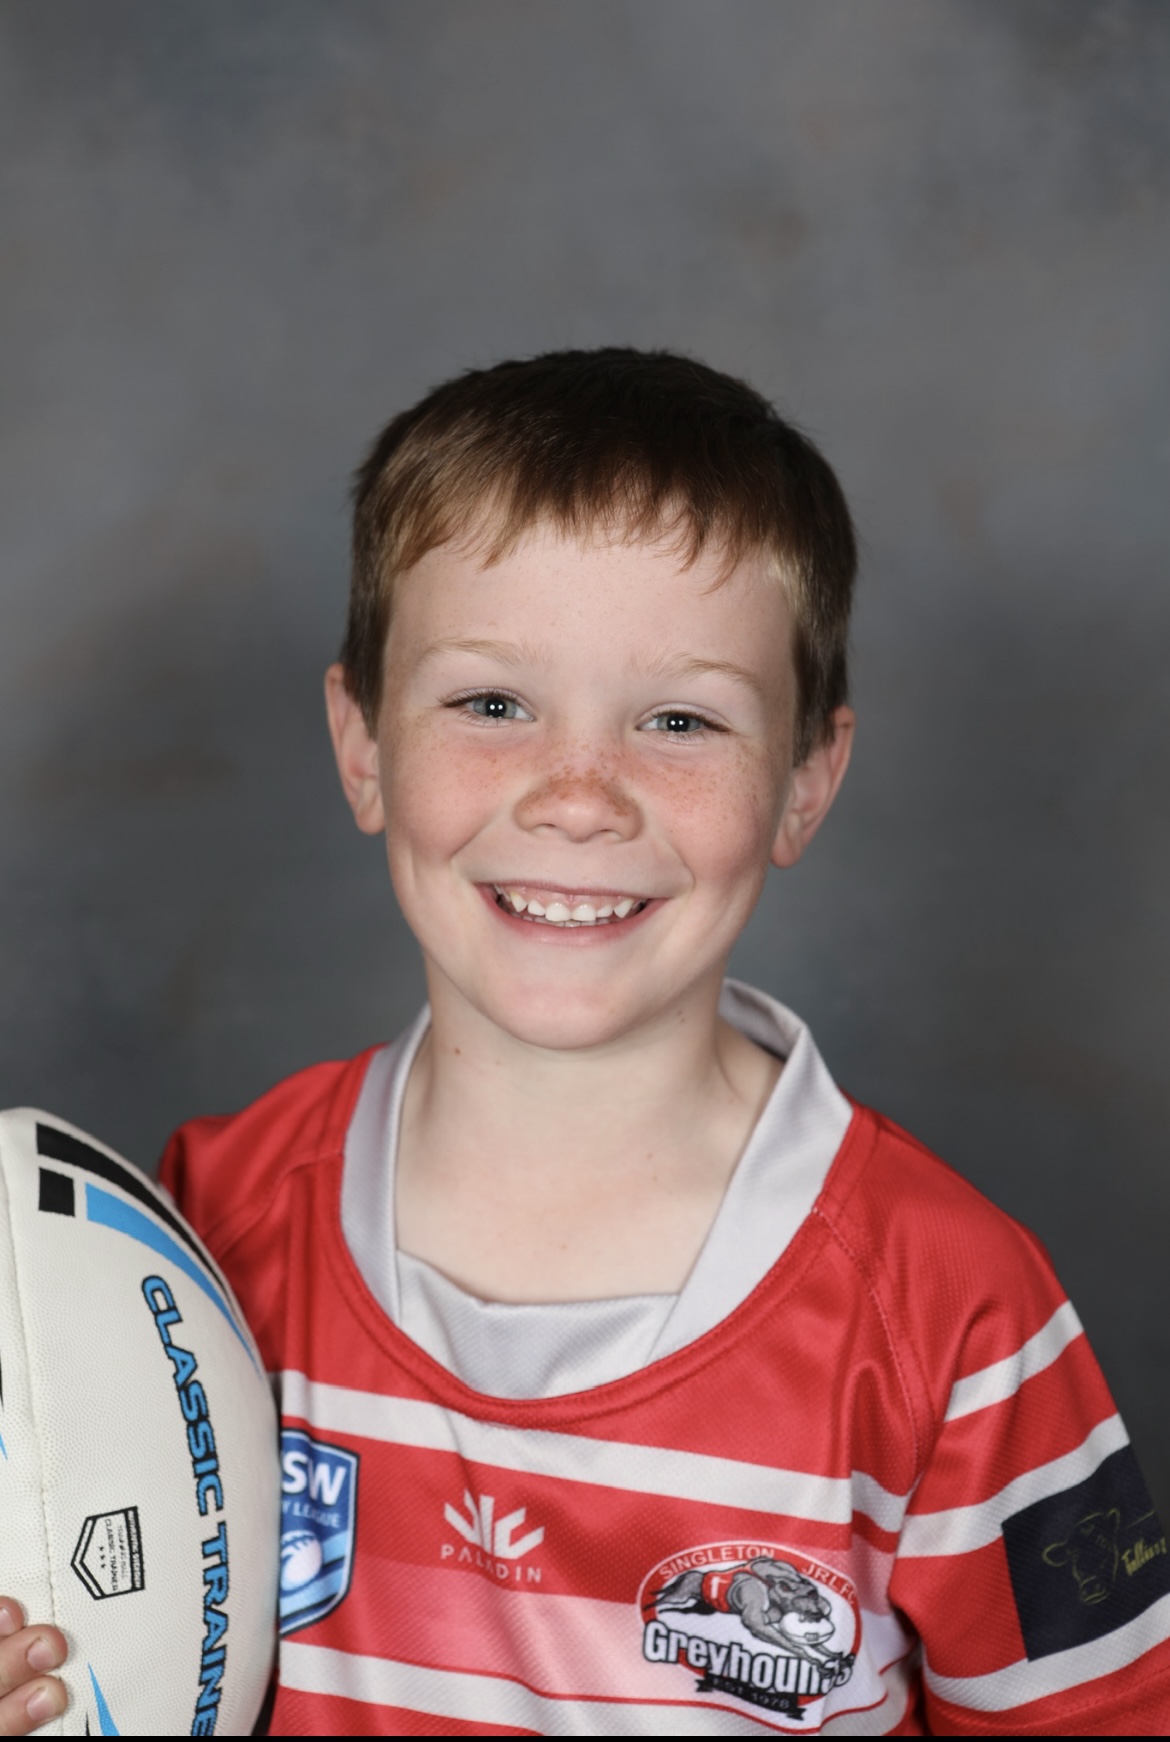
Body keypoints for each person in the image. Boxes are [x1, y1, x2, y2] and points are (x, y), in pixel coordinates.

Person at [3, 349, 1167, 1736]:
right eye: (492, 704)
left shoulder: (951, 1313)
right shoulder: (190, 1234)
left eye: (679, 720)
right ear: (362, 744)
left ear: (804, 782)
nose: (577, 796)